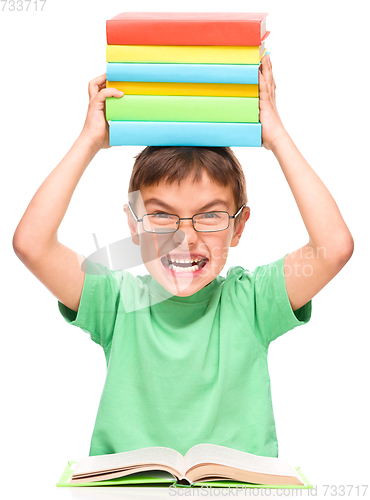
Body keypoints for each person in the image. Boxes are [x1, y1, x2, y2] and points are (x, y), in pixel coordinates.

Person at [12, 55, 354, 458]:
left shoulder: (253, 301)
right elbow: (31, 244)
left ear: (238, 227)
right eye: (161, 215)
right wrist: (88, 141)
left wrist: (277, 137)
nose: (184, 238)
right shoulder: (116, 301)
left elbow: (333, 249)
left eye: (210, 215)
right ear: (134, 226)